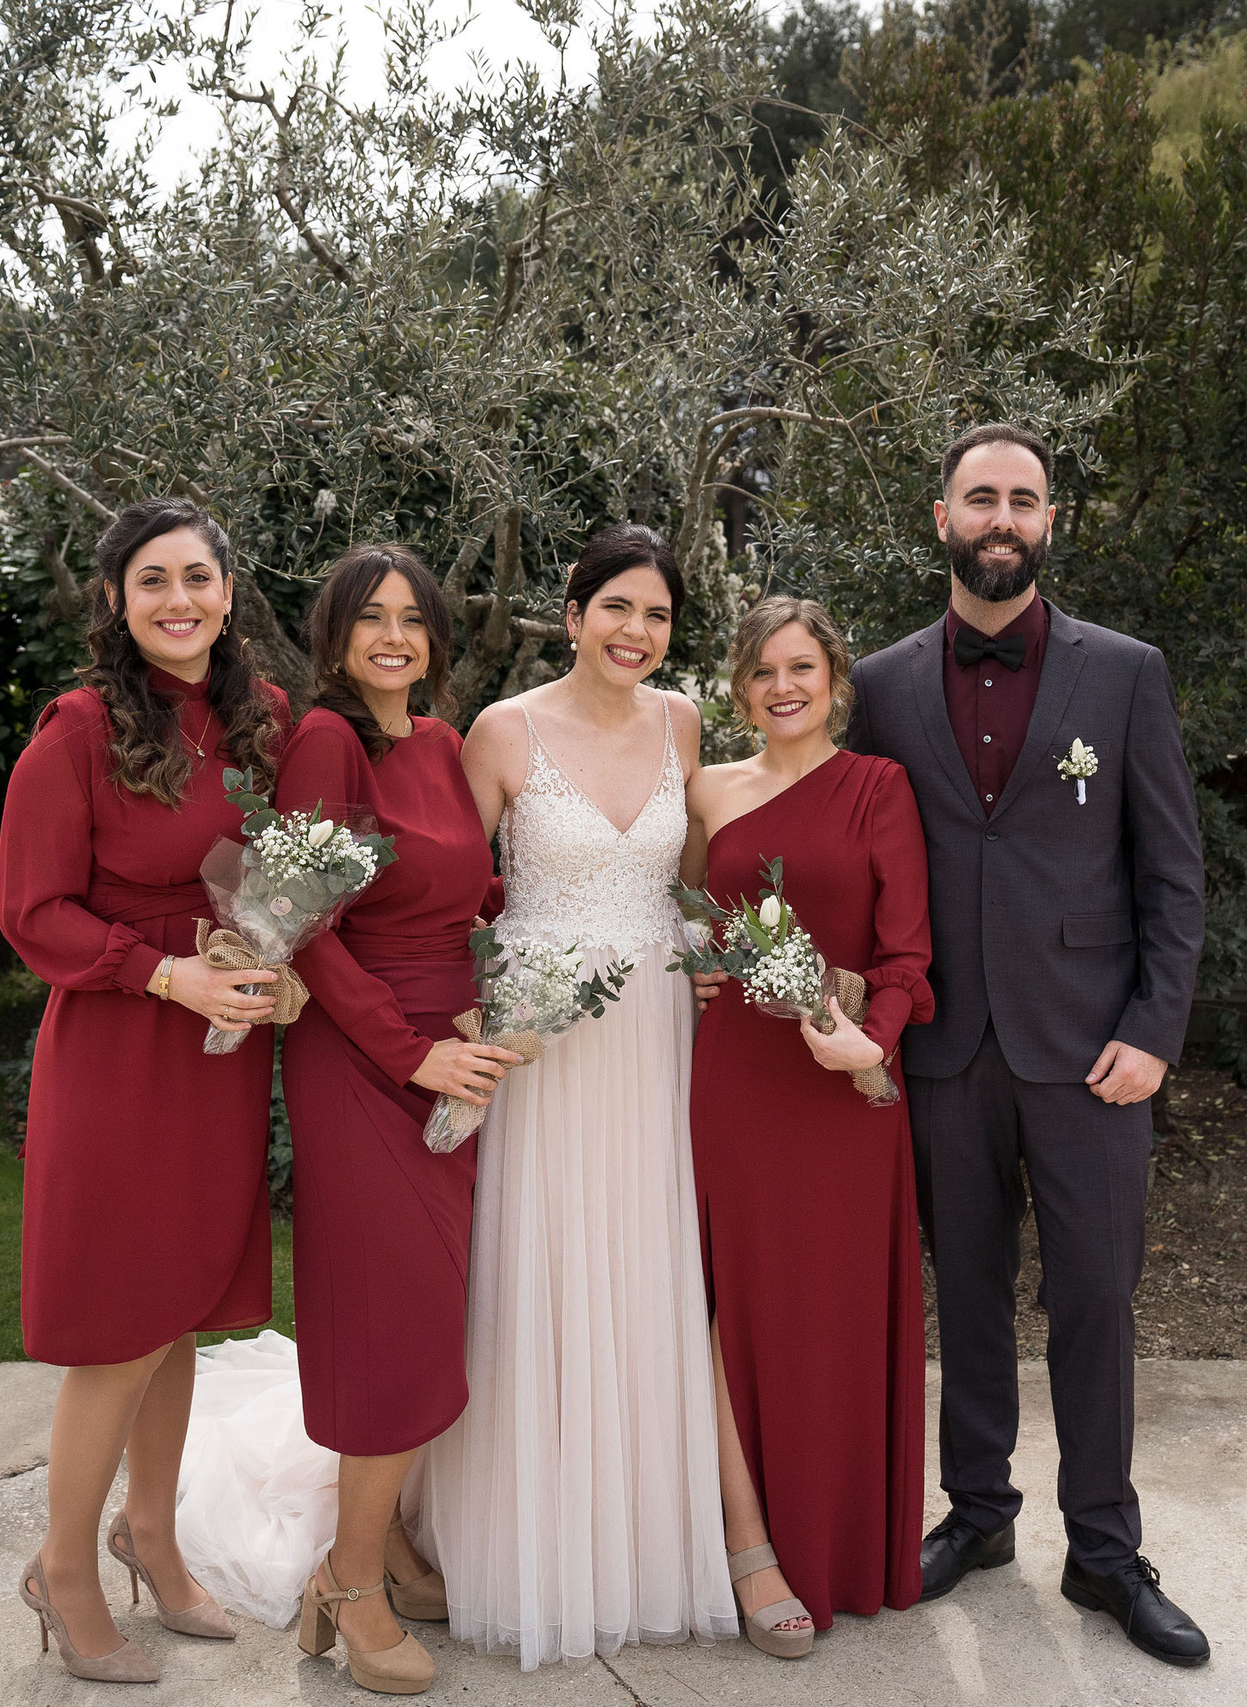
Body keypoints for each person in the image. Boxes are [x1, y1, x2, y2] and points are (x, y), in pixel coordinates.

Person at [846, 424, 1212, 1667]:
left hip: (1093, 1052)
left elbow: (1172, 871)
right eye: (980, 497)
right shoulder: (881, 685)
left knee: (1097, 1295)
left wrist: (1154, 1031)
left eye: (1023, 499)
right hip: (943, 1044)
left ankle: (1104, 1551)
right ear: (940, 517)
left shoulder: (1126, 674)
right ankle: (979, 1513)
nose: (1001, 517)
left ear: (1050, 521)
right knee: (965, 1290)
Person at [419, 524, 740, 1670]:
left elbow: (690, 881)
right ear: (572, 614)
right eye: (617, 608)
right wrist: (467, 1011)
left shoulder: (683, 723)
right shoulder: (502, 732)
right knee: (541, 1264)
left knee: (644, 1260)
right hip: (539, 1040)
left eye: (656, 615)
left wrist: (725, 952)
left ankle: (642, 1537)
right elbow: (449, 896)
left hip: (652, 1029)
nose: (635, 632)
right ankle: (524, 1534)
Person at [0, 496, 291, 1684]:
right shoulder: (76, 732)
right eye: (153, 581)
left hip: (220, 1049)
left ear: (227, 590)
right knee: (120, 1325)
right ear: (116, 601)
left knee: (176, 1315)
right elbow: (32, 911)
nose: (179, 600)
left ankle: (152, 1537)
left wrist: (273, 948)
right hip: (122, 1045)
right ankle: (62, 1570)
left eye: (197, 578)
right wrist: (165, 973)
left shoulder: (263, 718)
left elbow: (290, 863)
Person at [276, 545, 521, 1696]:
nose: (392, 636)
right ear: (332, 636)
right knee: (391, 1322)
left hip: (452, 1052)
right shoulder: (325, 743)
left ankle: (388, 1548)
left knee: (428, 1316)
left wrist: (526, 960)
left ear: (434, 638)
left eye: (411, 618)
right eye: (368, 617)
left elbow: (464, 886)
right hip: (364, 1061)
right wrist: (409, 1051)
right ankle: (351, 1580)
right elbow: (300, 923)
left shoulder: (436, 742)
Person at [682, 597, 934, 1657]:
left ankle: (842, 1541)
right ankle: (748, 1545)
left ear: (835, 679)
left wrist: (870, 1040)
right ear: (739, 688)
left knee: (833, 1313)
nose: (781, 687)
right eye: (762, 672)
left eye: (801, 668)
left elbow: (907, 955)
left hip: (843, 1090)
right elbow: (683, 913)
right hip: (735, 1081)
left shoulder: (880, 787)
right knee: (732, 1301)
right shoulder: (707, 788)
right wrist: (697, 965)